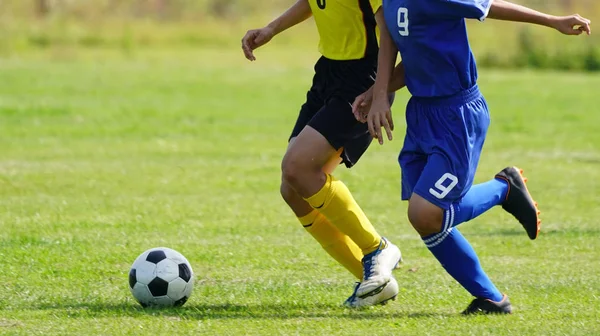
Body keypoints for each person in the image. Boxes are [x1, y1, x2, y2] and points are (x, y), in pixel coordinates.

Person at [353, 0, 591, 314]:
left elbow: (488, 6)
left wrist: (552, 20)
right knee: (427, 219)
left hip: (457, 115)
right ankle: (492, 298)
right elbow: (397, 46)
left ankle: (503, 189)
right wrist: (377, 93)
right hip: (422, 114)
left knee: (425, 213)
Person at [241, 0, 404, 307]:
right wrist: (272, 28)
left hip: (363, 80)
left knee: (298, 167)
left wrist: (380, 93)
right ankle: (373, 281)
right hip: (330, 72)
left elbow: (389, 32)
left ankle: (377, 249)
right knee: (293, 189)